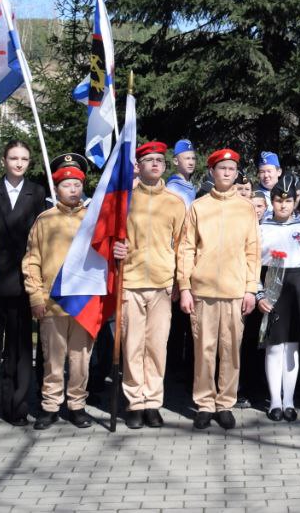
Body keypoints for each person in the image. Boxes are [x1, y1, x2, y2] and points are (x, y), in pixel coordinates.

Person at [176, 148, 260, 431]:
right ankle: (204, 403)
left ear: (237, 173)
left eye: (231, 168)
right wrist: (185, 287)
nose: (227, 172)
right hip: (203, 291)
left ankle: (225, 403)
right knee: (204, 350)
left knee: (231, 351)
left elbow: (253, 251)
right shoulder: (199, 206)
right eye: (221, 168)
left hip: (235, 290)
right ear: (212, 172)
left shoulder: (246, 208)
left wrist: (251, 289)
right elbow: (186, 249)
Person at [111, 141, 185, 429]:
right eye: (149, 160)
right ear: (138, 166)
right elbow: (109, 237)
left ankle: (153, 402)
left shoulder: (175, 202)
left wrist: (180, 282)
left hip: (162, 284)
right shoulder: (124, 200)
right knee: (132, 346)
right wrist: (116, 248)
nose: (155, 164)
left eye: (159, 160)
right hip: (130, 283)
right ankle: (134, 402)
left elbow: (182, 246)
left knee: (156, 347)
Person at [0, 140, 47, 430]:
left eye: (24, 159)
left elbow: (41, 237)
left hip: (23, 281)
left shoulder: (38, 192)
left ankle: (16, 407)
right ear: (3, 160)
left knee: (19, 350)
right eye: (14, 158)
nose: (19, 163)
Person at [23, 153, 97, 430]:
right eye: (67, 185)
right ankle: (50, 406)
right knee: (53, 359)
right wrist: (36, 296)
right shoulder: (44, 220)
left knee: (80, 359)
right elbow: (32, 260)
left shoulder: (92, 220)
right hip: (52, 301)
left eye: (77, 185)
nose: (73, 189)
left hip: (83, 301)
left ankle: (77, 405)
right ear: (57, 189)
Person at [255, 174, 300, 421]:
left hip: (297, 289)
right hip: (272, 287)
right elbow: (253, 264)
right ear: (272, 201)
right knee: (273, 347)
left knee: (291, 348)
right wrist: (260, 292)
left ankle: (289, 400)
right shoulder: (262, 228)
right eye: (279, 200)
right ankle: (275, 402)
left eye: (288, 201)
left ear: (295, 201)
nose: (283, 205)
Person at [165, 139, 199, 206]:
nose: (191, 163)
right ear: (176, 161)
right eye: (187, 158)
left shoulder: (190, 185)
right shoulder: (172, 188)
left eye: (193, 158)